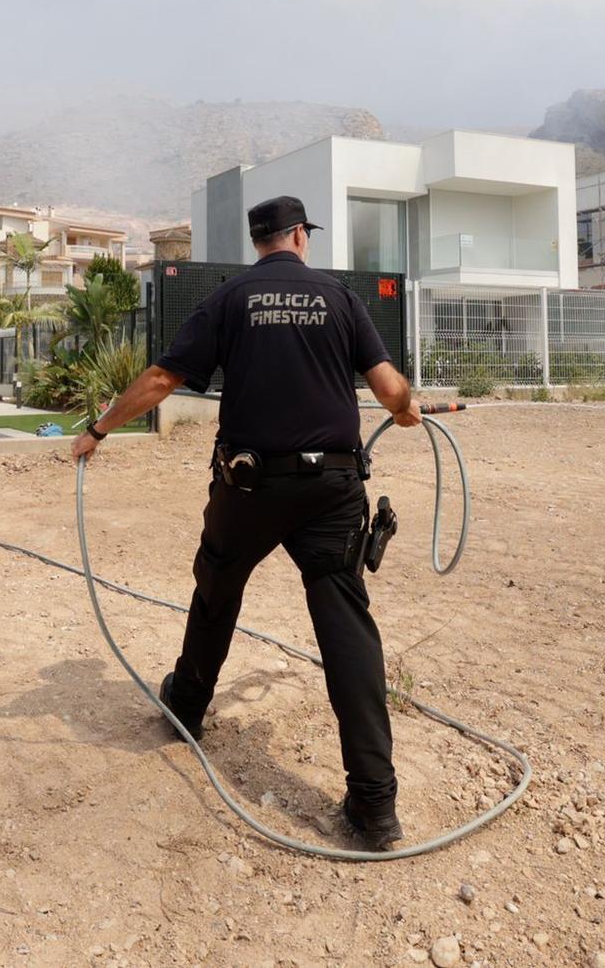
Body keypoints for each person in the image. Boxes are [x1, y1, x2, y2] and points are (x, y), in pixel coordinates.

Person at [71, 194, 422, 850]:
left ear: (260, 240)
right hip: (332, 487)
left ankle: (187, 708)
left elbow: (159, 379)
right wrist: (406, 409)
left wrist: (98, 429)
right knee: (346, 625)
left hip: (249, 482)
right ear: (298, 236)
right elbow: (387, 388)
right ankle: (375, 806)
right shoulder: (340, 299)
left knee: (217, 587)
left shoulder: (232, 297)